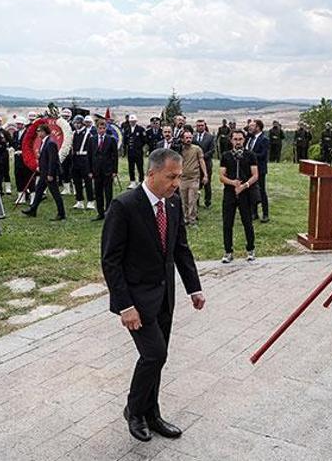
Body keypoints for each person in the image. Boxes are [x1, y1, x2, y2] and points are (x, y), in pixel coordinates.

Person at [100, 148, 206, 443]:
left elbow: (180, 249)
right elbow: (110, 260)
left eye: (179, 177)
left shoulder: (171, 205)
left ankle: (153, 414)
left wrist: (194, 288)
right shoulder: (125, 206)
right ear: (152, 173)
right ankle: (134, 412)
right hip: (136, 302)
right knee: (154, 354)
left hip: (164, 298)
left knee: (157, 358)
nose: (176, 183)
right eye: (171, 177)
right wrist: (125, 306)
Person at [219, 130, 259, 263]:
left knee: (247, 222)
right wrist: (233, 183)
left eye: (240, 139)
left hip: (245, 193)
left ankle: (251, 249)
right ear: (231, 140)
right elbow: (221, 176)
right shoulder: (226, 155)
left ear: (244, 140)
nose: (238, 142)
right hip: (230, 193)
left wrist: (244, 185)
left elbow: (255, 175)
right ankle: (228, 251)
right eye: (235, 139)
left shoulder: (250, 155)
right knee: (227, 223)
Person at [22, 124, 66, 221]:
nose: (37, 133)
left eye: (39, 131)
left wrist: (50, 174)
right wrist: (40, 166)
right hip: (43, 172)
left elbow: (52, 160)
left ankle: (61, 213)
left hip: (49, 173)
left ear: (44, 131)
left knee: (55, 194)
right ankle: (33, 210)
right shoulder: (44, 142)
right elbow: (44, 158)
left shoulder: (50, 143)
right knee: (38, 191)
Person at [177, 129, 207, 226]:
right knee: (184, 200)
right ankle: (185, 218)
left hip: (194, 178)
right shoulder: (179, 149)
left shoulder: (197, 149)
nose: (189, 139)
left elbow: (202, 161)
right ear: (182, 139)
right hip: (182, 178)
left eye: (190, 137)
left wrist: (205, 175)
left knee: (192, 200)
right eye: (186, 138)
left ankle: (192, 219)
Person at [91, 119, 119, 221]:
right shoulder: (92, 140)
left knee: (108, 193)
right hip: (96, 170)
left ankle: (108, 212)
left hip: (108, 170)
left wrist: (115, 171)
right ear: (97, 129)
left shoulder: (110, 140)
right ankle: (100, 213)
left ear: (106, 129)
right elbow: (90, 155)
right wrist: (90, 170)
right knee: (98, 193)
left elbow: (115, 156)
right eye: (100, 128)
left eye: (103, 128)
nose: (102, 130)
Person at [246, 119, 270, 222]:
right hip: (249, 169)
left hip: (260, 169)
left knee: (261, 191)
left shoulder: (264, 139)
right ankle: (254, 213)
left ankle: (265, 214)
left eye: (252, 126)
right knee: (252, 191)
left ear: (258, 127)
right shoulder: (250, 139)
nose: (250, 128)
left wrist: (250, 155)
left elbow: (263, 155)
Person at [71, 115, 95, 210]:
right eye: (75, 123)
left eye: (78, 123)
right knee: (77, 181)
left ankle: (90, 201)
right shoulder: (73, 134)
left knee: (88, 181)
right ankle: (79, 200)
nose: (76, 125)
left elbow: (92, 150)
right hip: (75, 158)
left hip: (85, 159)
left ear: (82, 124)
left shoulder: (88, 134)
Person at [194, 119, 216, 208]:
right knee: (196, 184)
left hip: (206, 163)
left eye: (202, 125)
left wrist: (202, 156)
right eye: (198, 125)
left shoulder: (210, 137)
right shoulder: (193, 137)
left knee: (207, 183)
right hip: (195, 164)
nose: (200, 127)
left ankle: (207, 202)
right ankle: (196, 201)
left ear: (205, 126)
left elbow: (212, 150)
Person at [12, 117, 33, 204]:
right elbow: (14, 143)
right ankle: (21, 196)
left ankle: (32, 196)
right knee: (18, 176)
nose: (18, 126)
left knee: (28, 176)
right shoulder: (15, 133)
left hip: (26, 157)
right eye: (17, 124)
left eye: (20, 124)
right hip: (17, 157)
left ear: (24, 124)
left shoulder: (28, 133)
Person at [124, 115, 147, 189]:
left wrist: (139, 146)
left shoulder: (140, 129)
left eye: (133, 121)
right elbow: (125, 140)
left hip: (138, 152)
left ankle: (141, 181)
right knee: (131, 167)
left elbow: (144, 140)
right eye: (131, 121)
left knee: (140, 167)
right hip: (130, 152)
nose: (132, 122)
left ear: (136, 121)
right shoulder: (127, 129)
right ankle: (132, 181)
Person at [0, 116, 12, 195]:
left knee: (5, 170)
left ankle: (8, 187)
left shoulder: (5, 132)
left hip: (4, 153)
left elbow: (10, 142)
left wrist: (5, 144)